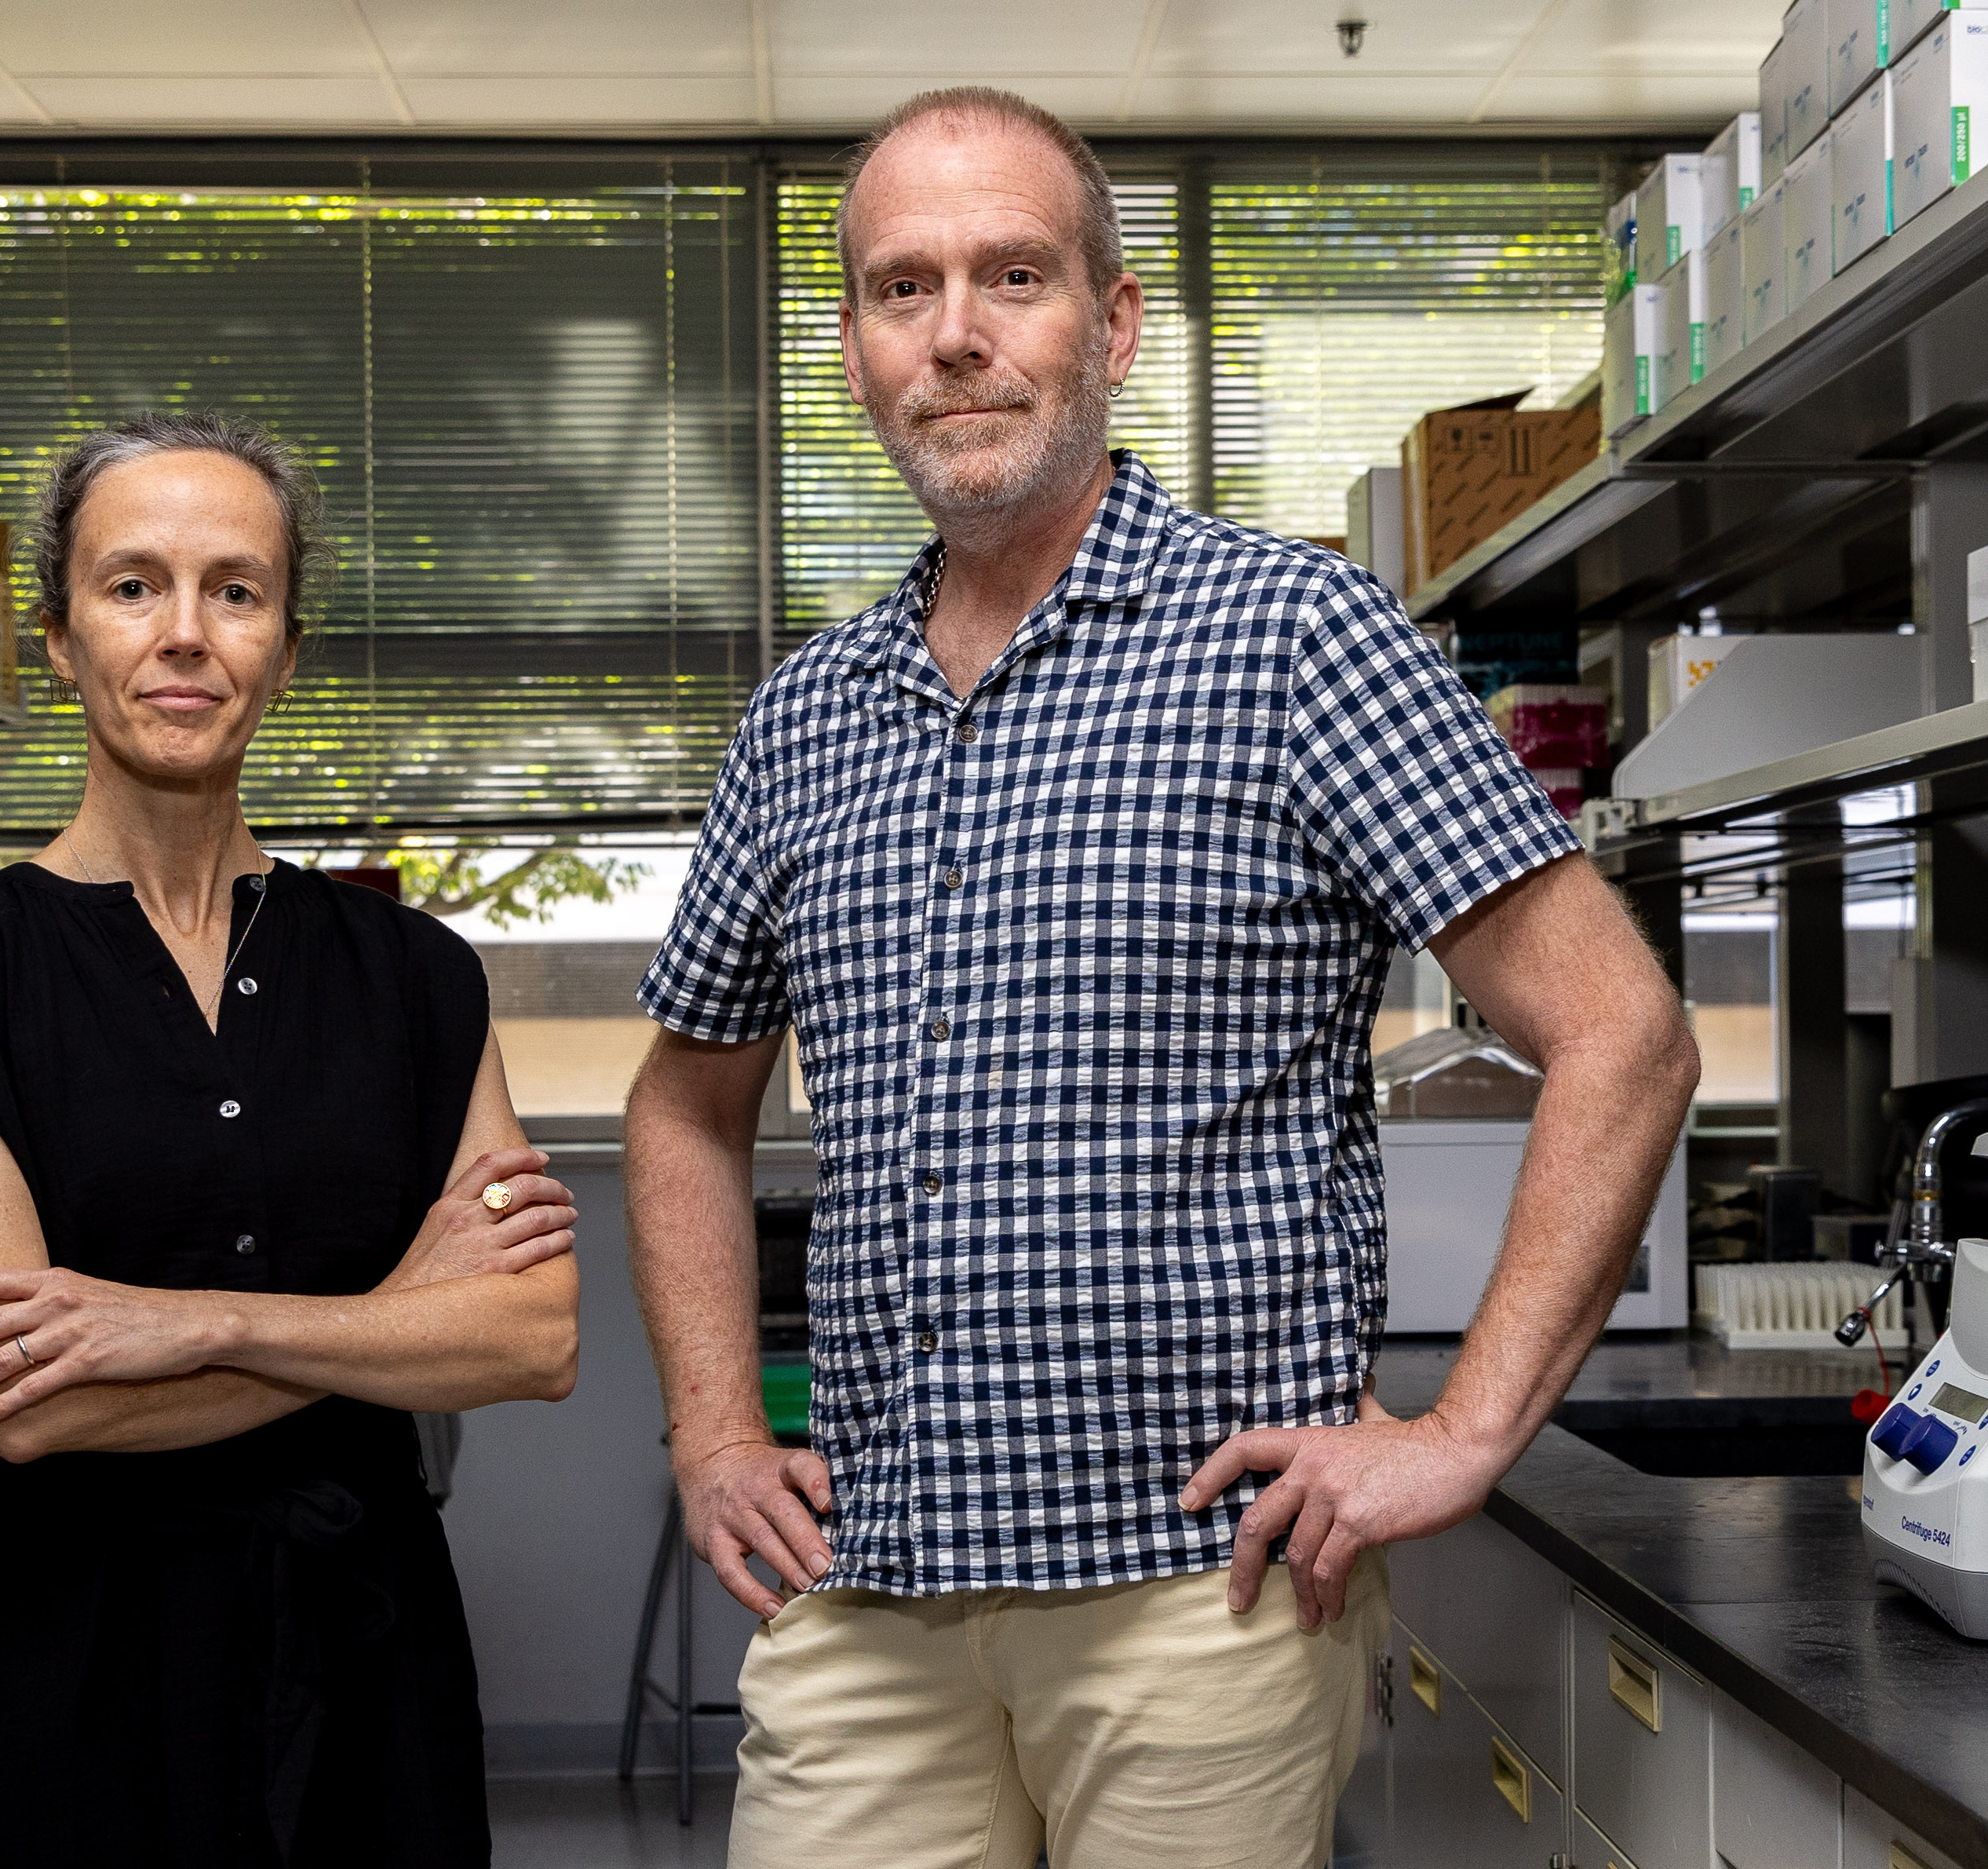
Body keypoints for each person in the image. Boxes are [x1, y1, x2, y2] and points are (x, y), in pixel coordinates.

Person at [623, 88, 1698, 1868]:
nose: (955, 334)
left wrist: (1459, 1433)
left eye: (1013, 275)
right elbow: (683, 1099)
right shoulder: (802, 717)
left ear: (1110, 324)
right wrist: (718, 1426)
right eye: (902, 288)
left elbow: (1620, 1034)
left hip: (1194, 1601)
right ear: (854, 349)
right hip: (868, 1595)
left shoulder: (1296, 641)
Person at [0, 410, 580, 1867]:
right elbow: (31, 1406)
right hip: (83, 1669)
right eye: (133, 585)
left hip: (367, 1655)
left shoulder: (415, 977)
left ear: (284, 649)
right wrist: (391, 1318)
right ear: (59, 639)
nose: (184, 632)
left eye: (234, 590)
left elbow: (529, 1338)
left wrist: (174, 1324)